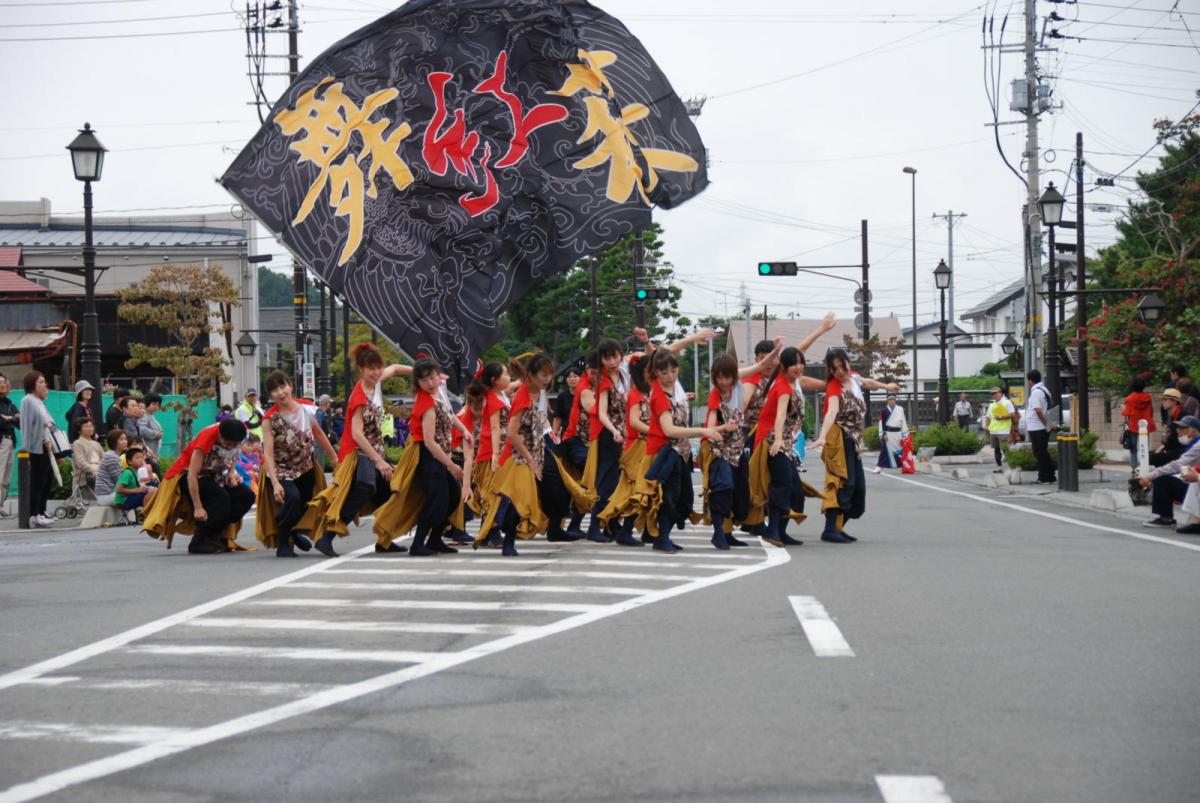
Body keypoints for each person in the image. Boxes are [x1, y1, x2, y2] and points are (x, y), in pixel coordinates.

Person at [296, 344, 411, 557]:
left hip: (373, 450)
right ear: (361, 370)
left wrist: (424, 371)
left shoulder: (375, 383)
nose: (376, 372)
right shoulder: (359, 397)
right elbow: (357, 434)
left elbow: (394, 368)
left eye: (378, 367)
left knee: (389, 491)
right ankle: (327, 537)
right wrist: (379, 461)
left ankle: (385, 540)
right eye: (370, 368)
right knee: (364, 487)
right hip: (356, 451)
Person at [375, 358, 471, 556]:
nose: (430, 382)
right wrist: (451, 465)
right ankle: (418, 543)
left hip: (440, 456)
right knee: (437, 501)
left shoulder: (438, 395)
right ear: (418, 383)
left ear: (438, 375)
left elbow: (450, 415)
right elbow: (429, 442)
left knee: (452, 498)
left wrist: (464, 430)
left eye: (433, 377)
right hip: (430, 456)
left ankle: (435, 539)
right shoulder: (425, 403)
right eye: (424, 380)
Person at [810, 348, 901, 543]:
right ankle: (830, 529)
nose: (839, 372)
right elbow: (831, 411)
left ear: (847, 363)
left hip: (853, 441)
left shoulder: (855, 379)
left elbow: (868, 382)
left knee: (858, 492)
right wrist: (822, 436)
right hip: (838, 438)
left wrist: (887, 386)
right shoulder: (834, 387)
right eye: (834, 369)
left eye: (842, 366)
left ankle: (837, 527)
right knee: (842, 483)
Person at [474, 354, 561, 556]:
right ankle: (505, 538)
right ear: (532, 375)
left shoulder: (536, 392)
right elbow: (508, 433)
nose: (548, 379)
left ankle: (554, 527)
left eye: (550, 375)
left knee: (555, 487)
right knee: (515, 498)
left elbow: (538, 422)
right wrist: (526, 460)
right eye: (544, 375)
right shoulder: (518, 396)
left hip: (534, 449)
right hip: (516, 455)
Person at [643, 350, 725, 553]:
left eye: (673, 370)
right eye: (664, 372)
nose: (670, 375)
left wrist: (695, 338)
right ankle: (661, 538)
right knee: (668, 496)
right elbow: (669, 430)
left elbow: (669, 351)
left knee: (683, 497)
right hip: (666, 451)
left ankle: (662, 536)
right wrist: (703, 430)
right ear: (655, 373)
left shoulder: (675, 388)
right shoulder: (659, 396)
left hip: (680, 451)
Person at [256, 370, 338, 558]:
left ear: (290, 386)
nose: (281, 392)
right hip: (281, 469)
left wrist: (334, 458)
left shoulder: (307, 409)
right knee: (291, 497)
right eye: (275, 390)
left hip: (305, 466)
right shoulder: (269, 419)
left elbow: (318, 435)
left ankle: (293, 531)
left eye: (283, 386)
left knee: (305, 502)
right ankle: (283, 544)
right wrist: (275, 482)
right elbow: (267, 452)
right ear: (271, 395)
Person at [144, 419, 252, 554]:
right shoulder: (206, 438)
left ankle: (218, 533)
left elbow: (234, 454)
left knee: (245, 496)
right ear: (219, 434)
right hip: (187, 476)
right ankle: (199, 541)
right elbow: (192, 475)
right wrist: (198, 507)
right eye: (226, 443)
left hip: (214, 475)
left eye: (233, 444)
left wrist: (231, 472)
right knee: (220, 498)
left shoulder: (241, 434)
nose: (229, 447)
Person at [582, 338, 629, 543]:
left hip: (625, 435)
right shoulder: (604, 382)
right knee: (606, 483)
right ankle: (594, 526)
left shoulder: (625, 374)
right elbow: (601, 413)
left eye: (615, 356)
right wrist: (614, 431)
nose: (612, 361)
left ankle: (611, 524)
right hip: (609, 437)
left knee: (619, 481)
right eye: (607, 357)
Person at [470, 361, 514, 547]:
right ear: (495, 380)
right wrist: (496, 455)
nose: (509, 377)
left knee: (496, 492)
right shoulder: (494, 399)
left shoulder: (500, 394)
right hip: (492, 451)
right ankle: (493, 532)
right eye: (506, 374)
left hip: (503, 450)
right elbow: (495, 428)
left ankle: (487, 531)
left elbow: (513, 386)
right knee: (496, 493)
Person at [1139, 415, 1200, 530]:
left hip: (1195, 484)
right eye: (1178, 428)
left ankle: (1166, 518)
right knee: (1164, 476)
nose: (1178, 431)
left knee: (1162, 478)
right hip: (1193, 483)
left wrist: (1152, 475)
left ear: (1193, 430)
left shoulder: (1198, 445)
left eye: (1183, 428)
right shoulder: (1189, 445)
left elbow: (1178, 465)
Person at [20, 371, 56, 528]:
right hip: (35, 448)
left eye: (44, 382)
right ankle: (33, 515)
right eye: (40, 382)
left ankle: (41, 512)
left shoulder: (40, 401)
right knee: (37, 482)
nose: (44, 385)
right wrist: (26, 450)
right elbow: (26, 427)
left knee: (46, 480)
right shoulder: (28, 400)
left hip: (45, 446)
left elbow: (48, 423)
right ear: (32, 384)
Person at [1025, 369, 1056, 485]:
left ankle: (1043, 477)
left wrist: (1046, 423)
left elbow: (1038, 410)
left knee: (1039, 453)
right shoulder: (1044, 389)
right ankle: (1050, 476)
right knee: (1043, 452)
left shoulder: (1035, 392)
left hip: (1037, 427)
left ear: (1030, 381)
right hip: (1040, 427)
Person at [1121, 378, 1156, 469]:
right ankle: (1144, 466)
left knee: (1133, 448)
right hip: (1145, 425)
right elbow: (1151, 411)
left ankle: (1134, 468)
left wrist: (1124, 410)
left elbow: (1126, 413)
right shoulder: (1148, 398)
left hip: (1133, 426)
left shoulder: (1130, 399)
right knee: (1145, 447)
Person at [984, 386, 1018, 473]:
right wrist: (986, 425)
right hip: (993, 430)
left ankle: (1012, 466)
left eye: (995, 393)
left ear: (1000, 393)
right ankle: (999, 467)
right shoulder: (992, 405)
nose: (994, 395)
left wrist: (1002, 417)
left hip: (1004, 430)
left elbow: (1012, 414)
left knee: (1005, 449)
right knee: (996, 449)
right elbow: (988, 416)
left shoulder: (1007, 402)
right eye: (992, 394)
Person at [114, 447, 156, 516]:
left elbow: (146, 482)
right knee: (150, 490)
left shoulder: (138, 471)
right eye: (137, 458)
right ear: (130, 461)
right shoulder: (127, 472)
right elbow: (118, 489)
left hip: (132, 496)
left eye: (142, 458)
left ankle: (151, 512)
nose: (141, 460)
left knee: (154, 485)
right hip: (124, 501)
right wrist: (136, 490)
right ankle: (147, 515)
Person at [0, 374, 20, 517]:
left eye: (4, 383)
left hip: (11, 441)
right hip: (1, 441)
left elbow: (19, 422)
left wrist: (10, 418)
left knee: (6, 477)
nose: (3, 385)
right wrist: (12, 419)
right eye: (0, 383)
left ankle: (1, 506)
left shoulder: (10, 403)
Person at [873, 394, 908, 473]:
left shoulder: (900, 409)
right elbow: (882, 423)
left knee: (900, 450)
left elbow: (903, 421)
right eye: (890, 399)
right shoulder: (884, 411)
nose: (892, 401)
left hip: (898, 433)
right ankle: (879, 467)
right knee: (884, 451)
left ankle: (903, 466)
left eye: (893, 399)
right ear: (887, 401)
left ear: (895, 400)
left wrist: (905, 434)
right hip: (888, 433)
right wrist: (883, 433)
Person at [95, 429, 127, 507]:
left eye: (125, 439)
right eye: (121, 439)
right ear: (114, 442)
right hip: (107, 496)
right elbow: (120, 481)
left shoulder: (113, 456)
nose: (125, 442)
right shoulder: (111, 457)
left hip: (111, 494)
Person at [72, 419, 103, 491]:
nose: (90, 428)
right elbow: (80, 462)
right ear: (79, 430)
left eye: (91, 426)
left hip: (100, 470)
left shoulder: (96, 443)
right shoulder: (77, 443)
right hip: (87, 473)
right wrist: (92, 470)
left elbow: (104, 459)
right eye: (86, 426)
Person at [552, 366, 581, 439]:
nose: (572, 379)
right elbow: (558, 417)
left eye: (575, 376)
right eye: (569, 377)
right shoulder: (562, 397)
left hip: (583, 432)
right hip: (567, 433)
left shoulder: (586, 395)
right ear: (566, 380)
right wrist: (554, 433)